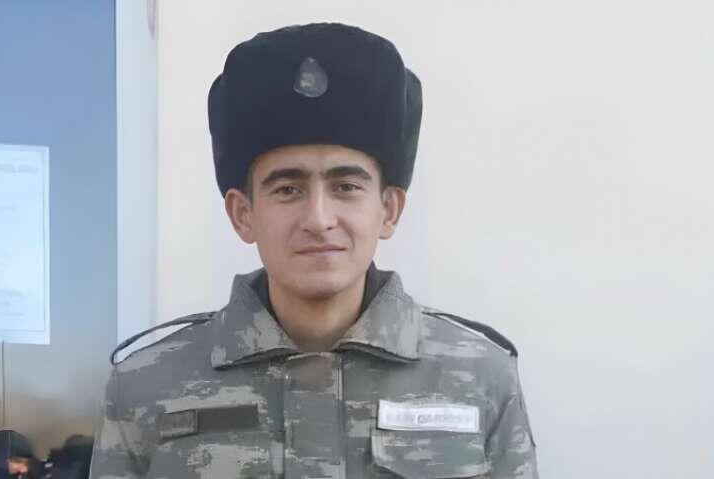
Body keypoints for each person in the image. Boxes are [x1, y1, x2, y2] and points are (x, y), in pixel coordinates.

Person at [89, 22, 538, 478]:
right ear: (243, 214)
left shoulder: (481, 377)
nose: (319, 218)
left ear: (388, 210)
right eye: (288, 189)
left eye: (346, 186)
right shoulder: (144, 388)